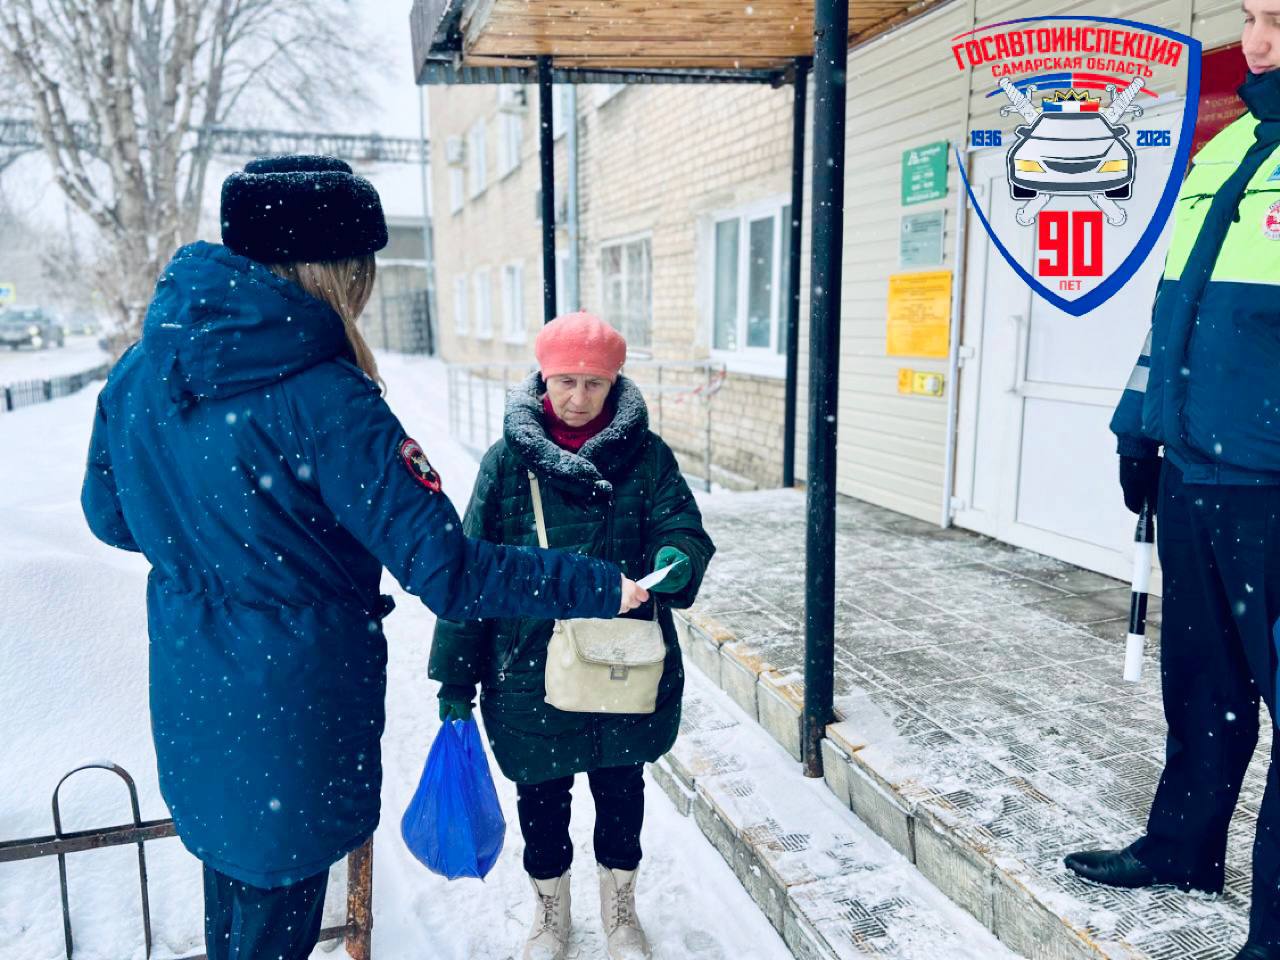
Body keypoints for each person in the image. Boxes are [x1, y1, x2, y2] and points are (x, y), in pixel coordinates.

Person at [80, 156, 649, 960]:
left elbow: (110, 516)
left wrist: (221, 549)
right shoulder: (327, 399)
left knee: (235, 914)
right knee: (276, 925)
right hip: (291, 708)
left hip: (194, 688)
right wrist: (596, 583)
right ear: (341, 273)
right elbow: (448, 572)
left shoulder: (144, 369)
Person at [1064, 10, 1280, 958]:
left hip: (1274, 485)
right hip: (1195, 469)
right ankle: (1183, 848)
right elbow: (1171, 312)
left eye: (1275, 18)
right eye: (1249, 17)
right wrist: (1136, 424)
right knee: (1203, 681)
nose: (1256, 40)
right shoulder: (1232, 140)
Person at [429, 312, 715, 960]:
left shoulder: (648, 459)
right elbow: (469, 571)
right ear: (542, 379)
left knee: (621, 798)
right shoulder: (506, 465)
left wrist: (677, 558)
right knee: (543, 805)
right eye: (566, 381)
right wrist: (455, 675)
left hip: (626, 666)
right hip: (531, 675)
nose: (579, 398)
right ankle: (550, 917)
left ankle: (620, 914)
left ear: (614, 384)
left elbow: (684, 527)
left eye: (594, 383)